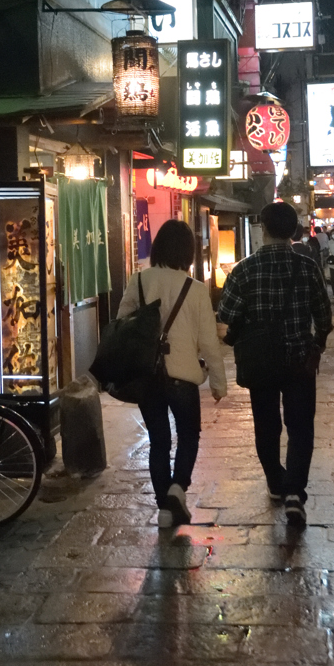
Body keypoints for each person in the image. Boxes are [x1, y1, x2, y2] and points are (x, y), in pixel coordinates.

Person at [217, 202, 332, 528]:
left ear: (263, 229)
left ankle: (275, 482)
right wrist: (317, 344)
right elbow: (323, 315)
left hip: (260, 359)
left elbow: (226, 315)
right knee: (300, 427)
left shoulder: (244, 269)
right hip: (299, 361)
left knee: (266, 425)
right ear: (293, 230)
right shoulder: (307, 267)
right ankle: (295, 492)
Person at [117, 220, 227, 528]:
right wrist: (218, 383)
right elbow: (209, 342)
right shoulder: (195, 290)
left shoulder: (138, 281)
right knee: (189, 434)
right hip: (183, 378)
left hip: (147, 376)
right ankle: (179, 487)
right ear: (188, 253)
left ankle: (165, 507)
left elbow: (122, 323)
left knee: (159, 440)